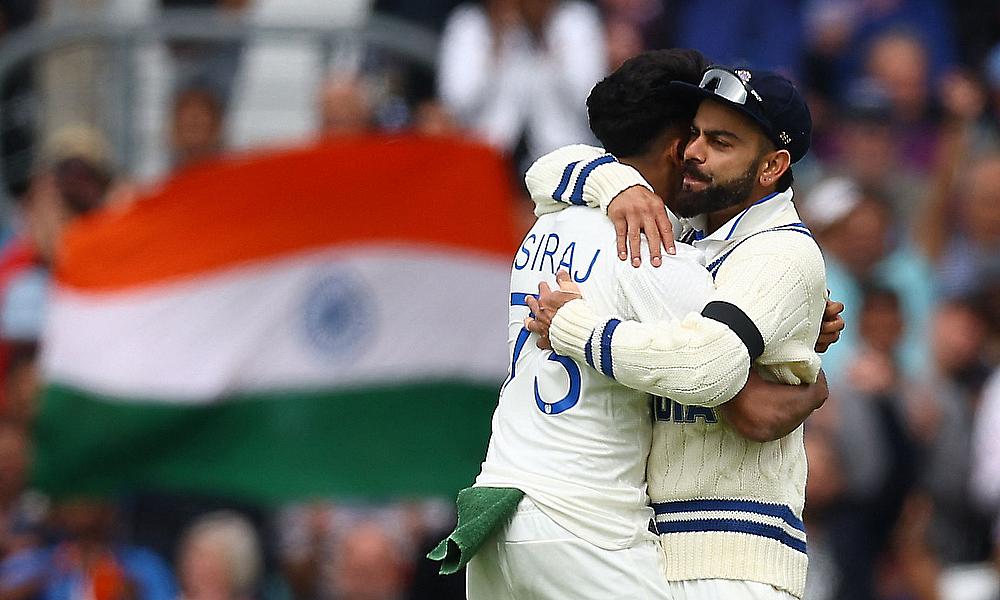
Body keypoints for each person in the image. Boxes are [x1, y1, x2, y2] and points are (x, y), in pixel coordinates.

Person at [433, 51, 835, 600]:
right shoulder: (657, 252)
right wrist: (811, 386)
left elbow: (543, 171)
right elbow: (744, 400)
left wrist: (791, 318)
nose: (696, 153)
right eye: (695, 135)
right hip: (587, 523)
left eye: (719, 142)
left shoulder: (551, 220)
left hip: (509, 501)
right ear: (673, 145)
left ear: (772, 166)